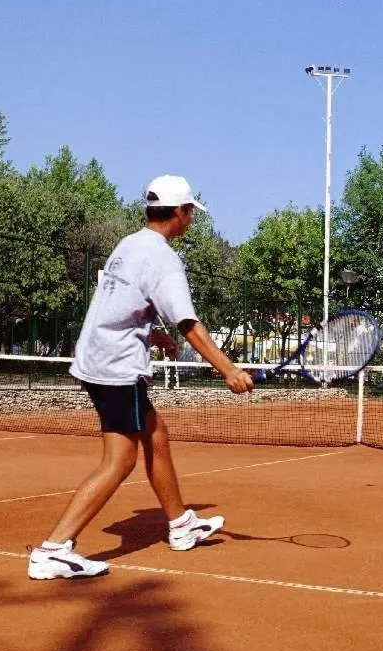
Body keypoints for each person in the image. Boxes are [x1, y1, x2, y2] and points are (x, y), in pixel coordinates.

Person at [28, 175, 255, 580]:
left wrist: (152, 332)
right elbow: (189, 323)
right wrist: (229, 370)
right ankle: (53, 549)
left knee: (155, 433)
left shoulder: (129, 245)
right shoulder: (163, 259)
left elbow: (119, 306)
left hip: (97, 355)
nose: (190, 221)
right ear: (180, 213)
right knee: (120, 460)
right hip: (116, 367)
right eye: (190, 213)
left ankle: (181, 524)